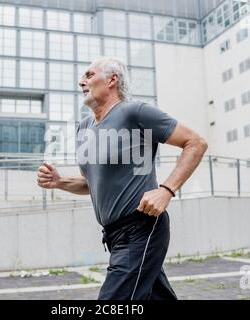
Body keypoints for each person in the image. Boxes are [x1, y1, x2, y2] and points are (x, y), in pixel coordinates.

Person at [37, 57, 208, 300]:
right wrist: (59, 181)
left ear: (111, 80)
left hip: (141, 226)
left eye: (88, 75)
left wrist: (166, 190)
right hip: (114, 235)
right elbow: (91, 183)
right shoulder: (84, 128)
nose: (81, 81)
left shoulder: (133, 112)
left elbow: (196, 143)